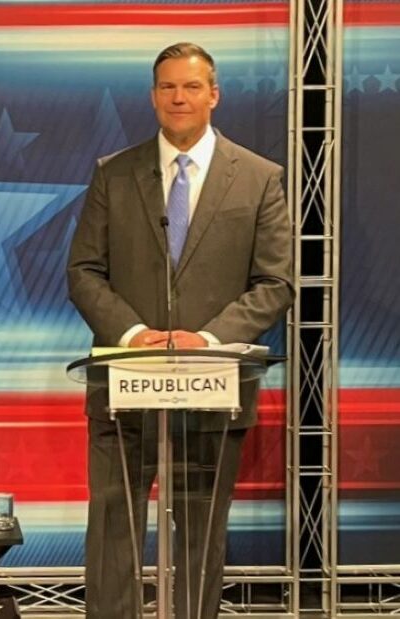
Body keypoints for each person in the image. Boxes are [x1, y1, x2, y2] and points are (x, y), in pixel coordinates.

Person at [67, 43, 294, 618]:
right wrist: (133, 333)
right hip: (125, 384)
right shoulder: (114, 173)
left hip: (213, 387)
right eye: (167, 87)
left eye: (192, 86)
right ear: (153, 97)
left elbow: (276, 282)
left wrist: (208, 340)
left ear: (214, 95)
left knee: (199, 527)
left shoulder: (260, 178)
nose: (179, 97)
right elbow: (84, 271)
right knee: (114, 523)